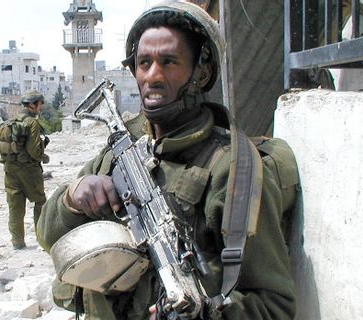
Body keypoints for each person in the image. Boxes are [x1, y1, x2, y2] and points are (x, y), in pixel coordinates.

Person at [36, 1, 299, 319]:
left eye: (169, 62)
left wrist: (207, 314)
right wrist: (73, 198)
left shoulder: (232, 170)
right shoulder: (121, 150)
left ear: (201, 72)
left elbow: (275, 305)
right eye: (144, 62)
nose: (153, 76)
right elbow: (49, 236)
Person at [0, 89, 49, 250]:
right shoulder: (31, 123)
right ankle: (43, 239)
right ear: (32, 105)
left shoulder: (10, 122)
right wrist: (43, 157)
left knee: (15, 206)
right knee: (40, 202)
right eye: (40, 104)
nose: (41, 107)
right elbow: (34, 150)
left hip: (10, 169)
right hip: (29, 170)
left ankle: (17, 242)